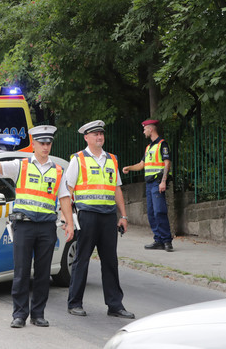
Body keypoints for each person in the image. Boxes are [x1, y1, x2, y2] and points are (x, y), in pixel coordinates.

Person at [0, 125, 64, 329]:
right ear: (33, 144)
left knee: (43, 274)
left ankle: (38, 314)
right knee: (22, 271)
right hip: (24, 225)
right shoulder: (21, 165)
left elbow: (65, 199)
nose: (45, 146)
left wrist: (69, 223)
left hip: (46, 226)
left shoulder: (58, 170)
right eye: (41, 143)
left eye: (48, 143)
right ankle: (19, 314)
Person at [58, 120, 135, 319]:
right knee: (81, 259)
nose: (99, 137)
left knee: (110, 262)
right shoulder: (78, 159)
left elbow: (117, 189)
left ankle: (115, 305)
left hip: (109, 216)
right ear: (86, 137)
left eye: (101, 133)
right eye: (95, 134)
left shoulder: (112, 159)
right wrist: (68, 218)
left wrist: (123, 216)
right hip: (87, 216)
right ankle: (74, 303)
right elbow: (68, 190)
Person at [122, 119, 174, 252]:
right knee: (151, 213)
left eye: (144, 129)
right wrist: (129, 168)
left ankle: (167, 241)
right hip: (149, 184)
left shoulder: (162, 144)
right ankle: (158, 240)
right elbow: (141, 165)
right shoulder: (148, 147)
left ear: (151, 129)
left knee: (159, 211)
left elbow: (167, 163)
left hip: (157, 182)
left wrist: (163, 181)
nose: (143, 131)